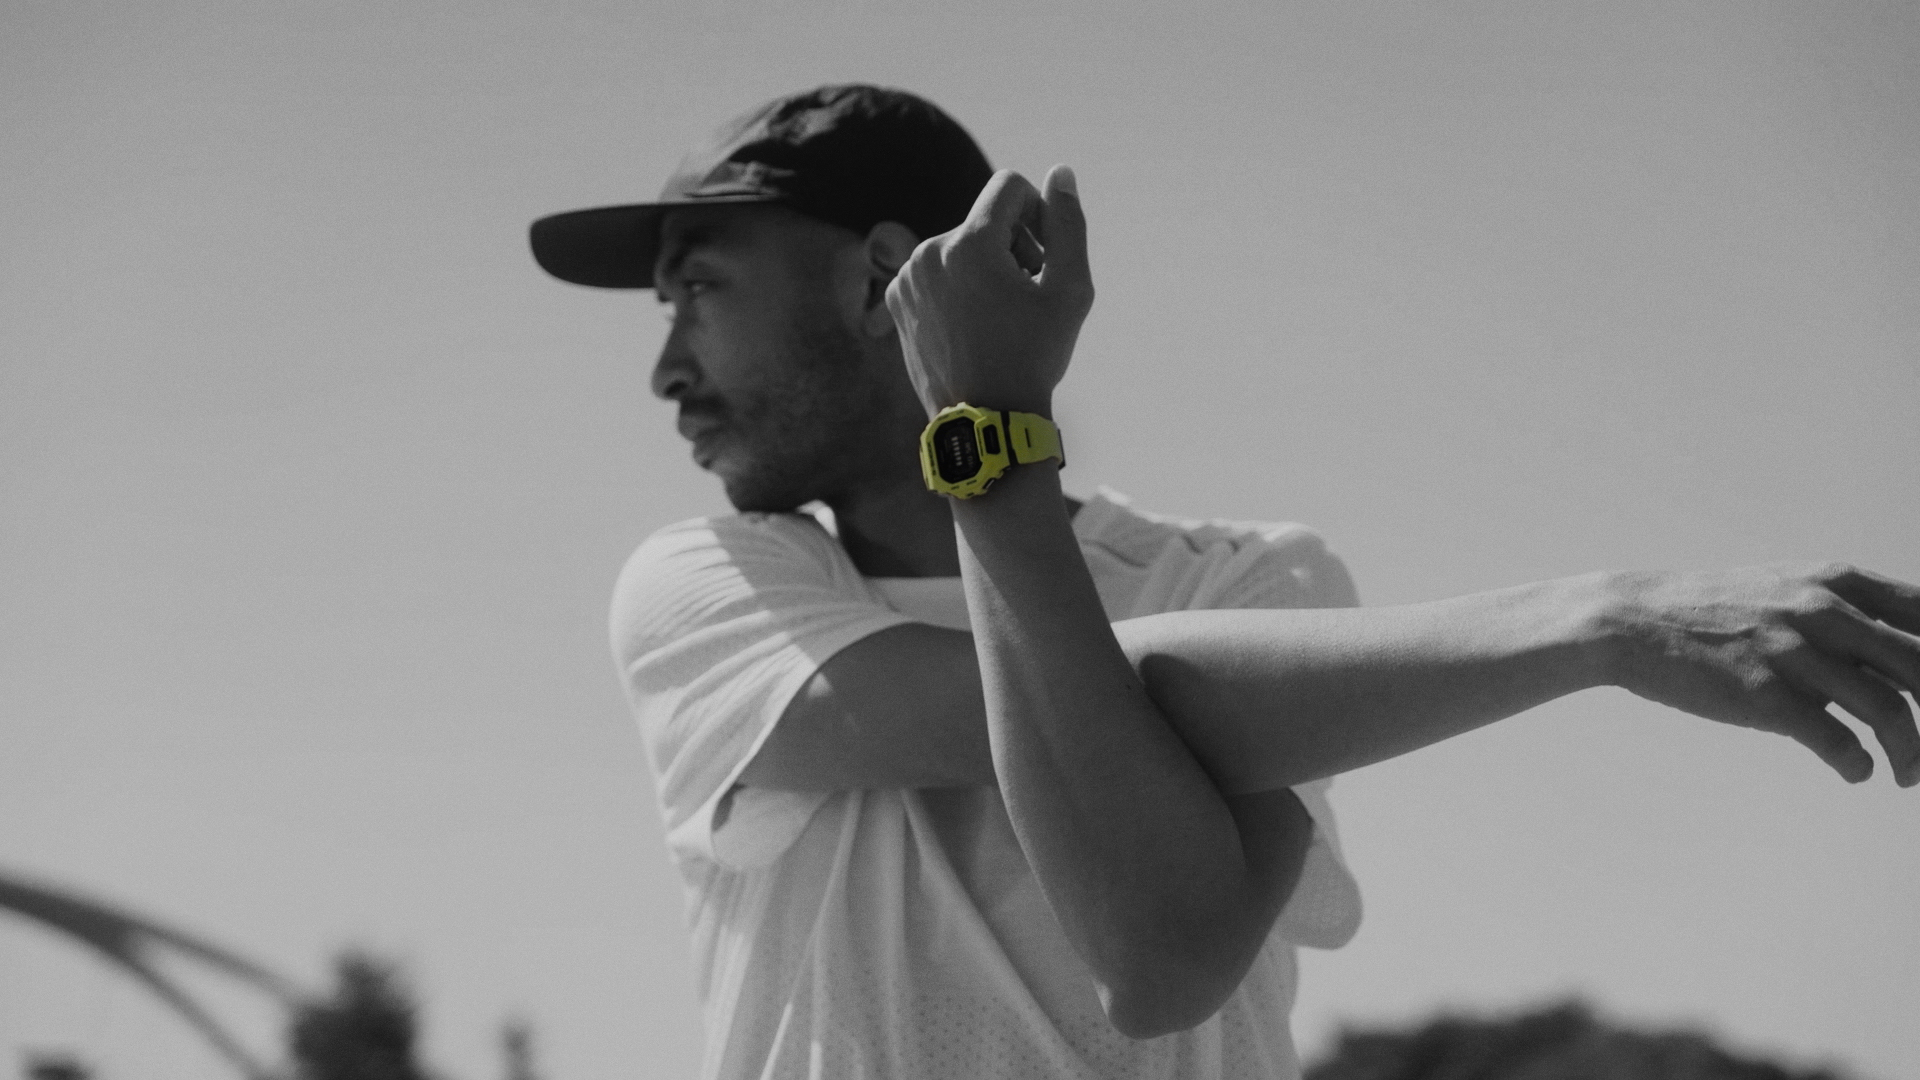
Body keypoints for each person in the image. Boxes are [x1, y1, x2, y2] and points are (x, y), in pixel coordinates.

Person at [530, 84, 1920, 1080]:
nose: (665, 368)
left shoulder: (1240, 574)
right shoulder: (705, 586)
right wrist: (1594, 624)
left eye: (697, 290)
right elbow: (1055, 720)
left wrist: (986, 440)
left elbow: (1160, 959)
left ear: (884, 281)